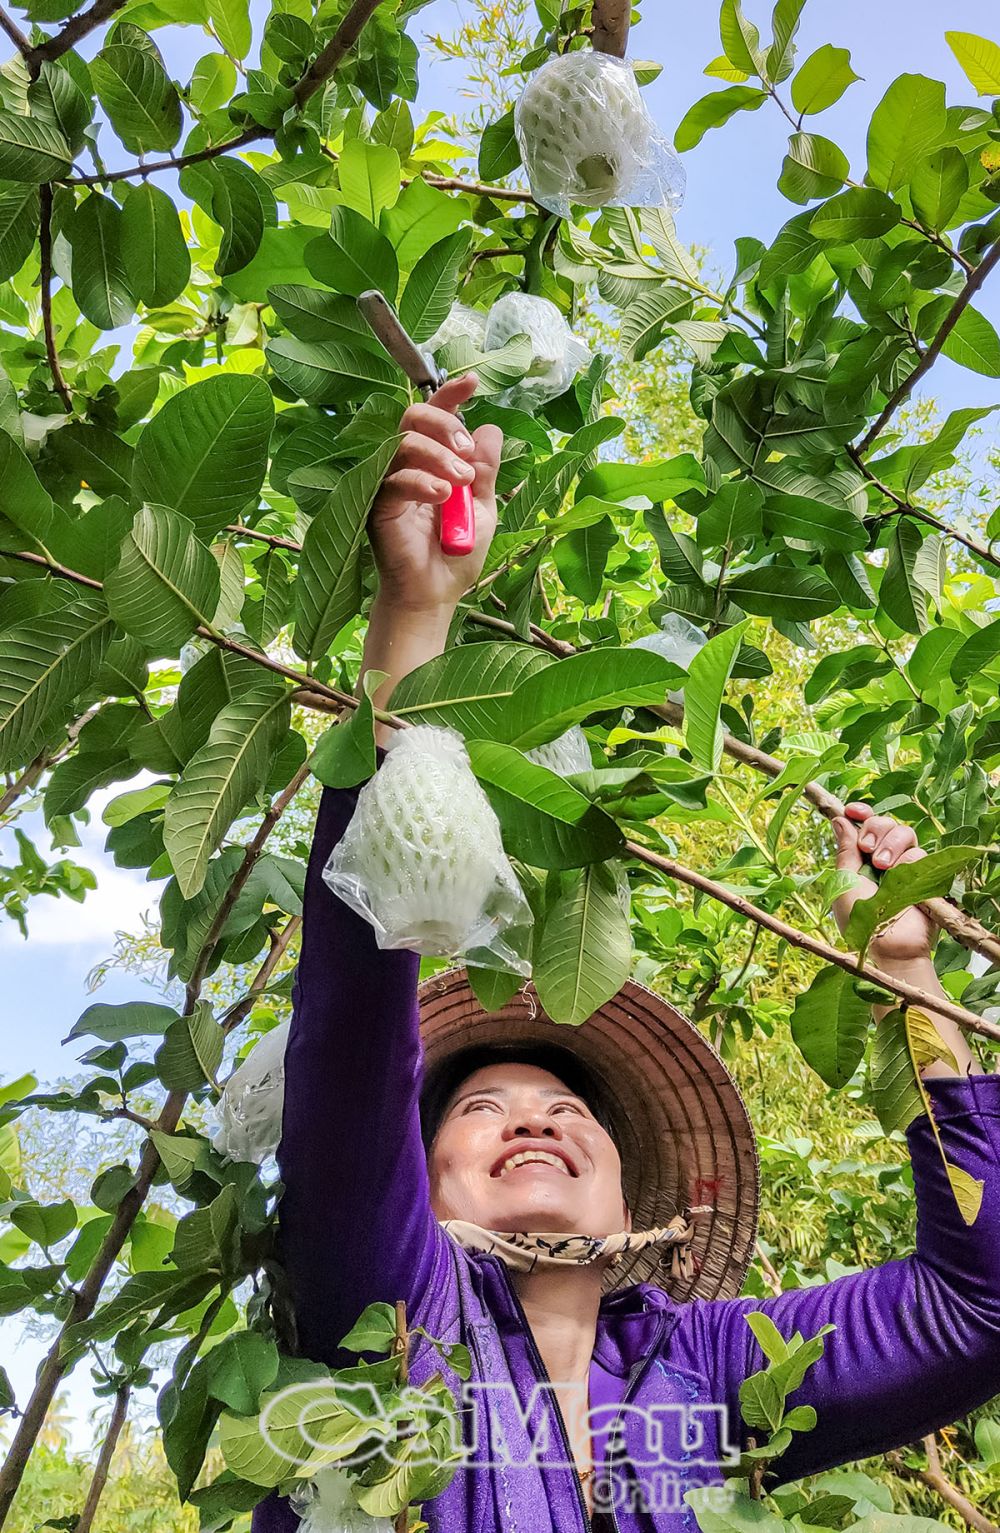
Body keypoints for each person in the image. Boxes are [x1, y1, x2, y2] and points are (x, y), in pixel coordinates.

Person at [251, 375, 1000, 1533]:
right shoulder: (393, 1307)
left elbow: (981, 1307)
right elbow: (353, 1034)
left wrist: (908, 972)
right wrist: (414, 627)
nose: (537, 1119)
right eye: (482, 1106)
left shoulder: (716, 1374)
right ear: (412, 1174)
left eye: (566, 1110)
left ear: (627, 1181)